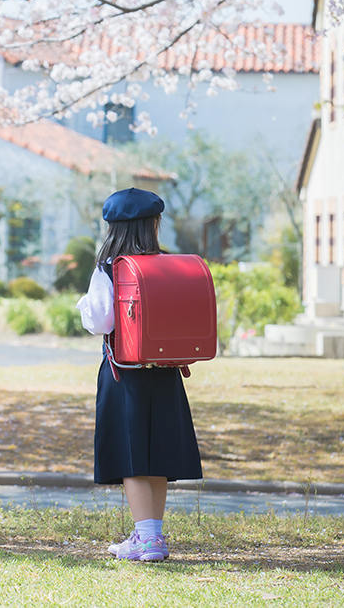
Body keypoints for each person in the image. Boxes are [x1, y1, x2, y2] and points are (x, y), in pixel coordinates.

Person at [76, 186, 202, 563]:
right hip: (165, 371)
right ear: (154, 223)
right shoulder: (167, 264)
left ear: (112, 228)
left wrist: (82, 306)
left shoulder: (109, 267)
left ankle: (146, 540)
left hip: (123, 374)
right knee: (159, 451)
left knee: (132, 454)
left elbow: (101, 320)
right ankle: (151, 535)